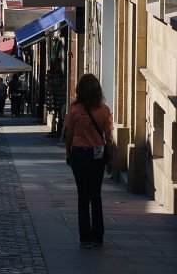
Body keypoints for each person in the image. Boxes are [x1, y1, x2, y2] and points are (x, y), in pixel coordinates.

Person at [64, 74, 114, 249]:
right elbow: (109, 138)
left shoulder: (74, 110)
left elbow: (69, 134)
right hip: (97, 156)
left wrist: (68, 153)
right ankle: (98, 237)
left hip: (79, 154)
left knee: (83, 197)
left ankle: (85, 237)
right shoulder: (104, 110)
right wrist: (111, 159)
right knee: (96, 196)